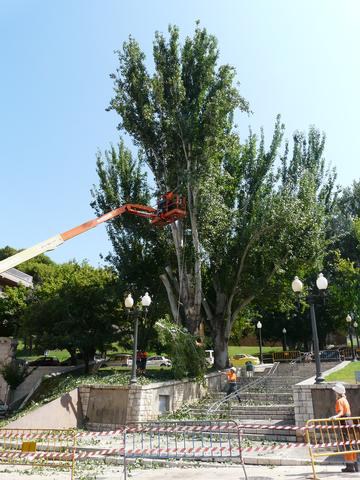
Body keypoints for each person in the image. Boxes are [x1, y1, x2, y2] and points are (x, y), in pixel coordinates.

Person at [330, 383, 358, 473]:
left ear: (337, 392)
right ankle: (354, 465)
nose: (334, 393)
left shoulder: (339, 401)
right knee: (352, 444)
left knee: (347, 444)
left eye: (335, 392)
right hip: (350, 422)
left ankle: (350, 466)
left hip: (344, 423)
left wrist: (335, 417)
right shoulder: (345, 400)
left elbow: (341, 412)